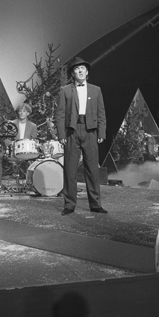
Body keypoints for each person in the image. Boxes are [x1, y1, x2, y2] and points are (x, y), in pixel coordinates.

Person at [56, 56, 107, 215]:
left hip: (90, 130)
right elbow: (60, 114)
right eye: (77, 69)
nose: (80, 71)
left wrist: (101, 132)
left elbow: (101, 113)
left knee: (92, 168)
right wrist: (61, 134)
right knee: (70, 169)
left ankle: (95, 204)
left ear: (87, 72)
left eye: (82, 68)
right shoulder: (65, 90)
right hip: (72, 131)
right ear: (73, 73)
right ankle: (69, 204)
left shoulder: (96, 90)